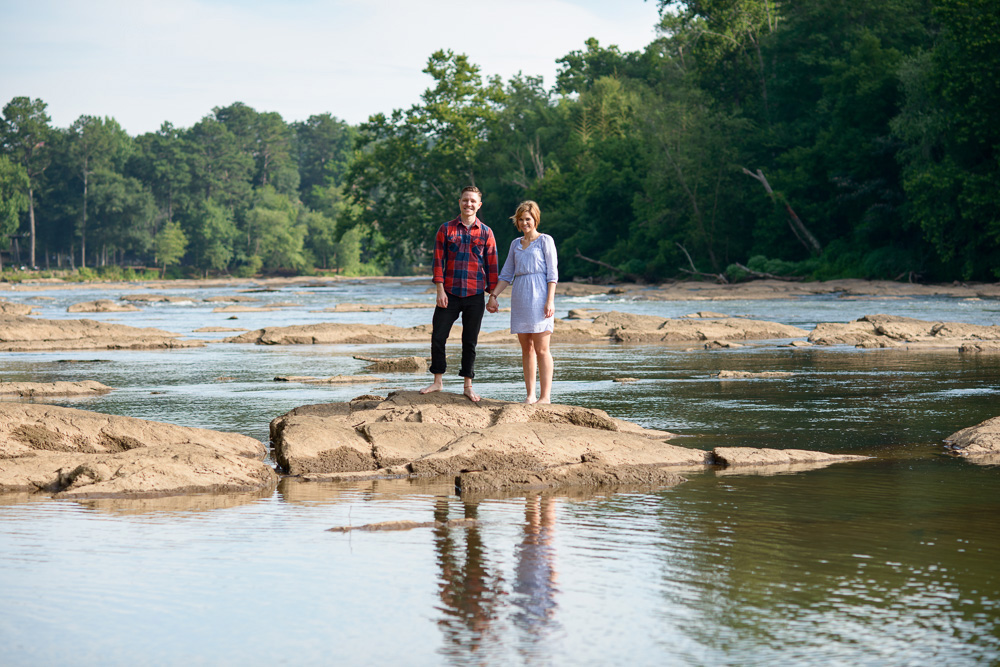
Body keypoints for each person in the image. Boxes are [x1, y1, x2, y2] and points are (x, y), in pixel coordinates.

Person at [420, 186, 499, 403]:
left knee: (469, 341)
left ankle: (468, 385)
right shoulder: (446, 229)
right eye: (465, 200)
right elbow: (438, 261)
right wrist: (439, 289)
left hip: (475, 294)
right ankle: (438, 381)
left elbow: (492, 266)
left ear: (479, 205)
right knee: (438, 336)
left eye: (473, 201)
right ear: (459, 202)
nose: (469, 204)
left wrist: (492, 295)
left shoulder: (486, 232)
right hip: (450, 293)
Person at [487, 200, 558, 404]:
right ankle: (530, 395)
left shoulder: (546, 240)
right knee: (526, 349)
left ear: (535, 219)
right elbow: (507, 274)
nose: (525, 222)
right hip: (520, 297)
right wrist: (493, 296)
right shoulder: (515, 244)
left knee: (542, 349)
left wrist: (550, 300)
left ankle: (545, 397)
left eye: (528, 219)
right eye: (521, 219)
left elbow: (552, 274)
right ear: (517, 222)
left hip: (540, 296)